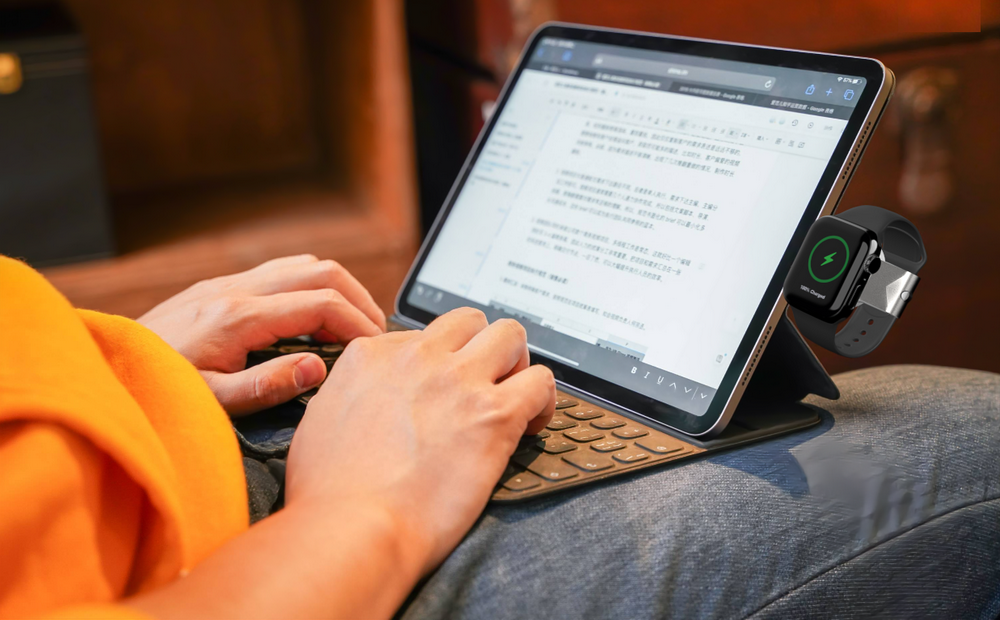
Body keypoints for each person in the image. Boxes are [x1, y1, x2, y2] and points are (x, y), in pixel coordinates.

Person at [2, 253, 998, 619]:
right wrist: (366, 507)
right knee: (968, 430)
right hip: (280, 565)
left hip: (146, 429)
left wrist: (100, 361)